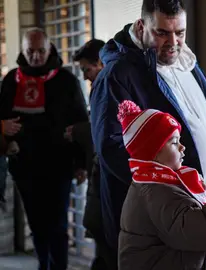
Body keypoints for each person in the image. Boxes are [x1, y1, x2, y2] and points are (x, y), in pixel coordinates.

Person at [89, 0, 206, 259]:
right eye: (162, 33)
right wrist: (170, 191)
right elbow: (111, 148)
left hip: (198, 213)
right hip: (161, 224)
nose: (173, 41)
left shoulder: (187, 64)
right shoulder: (118, 75)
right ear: (141, 26)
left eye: (179, 33)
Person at [116, 100, 206, 270]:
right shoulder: (158, 192)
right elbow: (203, 234)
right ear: (152, 152)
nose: (182, 147)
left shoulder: (160, 182)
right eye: (174, 142)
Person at [0, 28, 89, 270]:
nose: (36, 56)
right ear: (22, 50)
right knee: (37, 224)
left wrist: (82, 163)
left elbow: (81, 122)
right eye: (30, 51)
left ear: (49, 49)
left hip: (59, 164)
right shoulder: (10, 81)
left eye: (41, 51)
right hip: (24, 164)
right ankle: (43, 264)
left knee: (58, 224)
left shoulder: (66, 80)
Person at [70, 39, 115, 270]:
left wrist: (78, 131)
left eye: (87, 69)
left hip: (107, 179)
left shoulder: (110, 86)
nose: (86, 76)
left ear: (99, 62)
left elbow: (105, 131)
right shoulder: (101, 85)